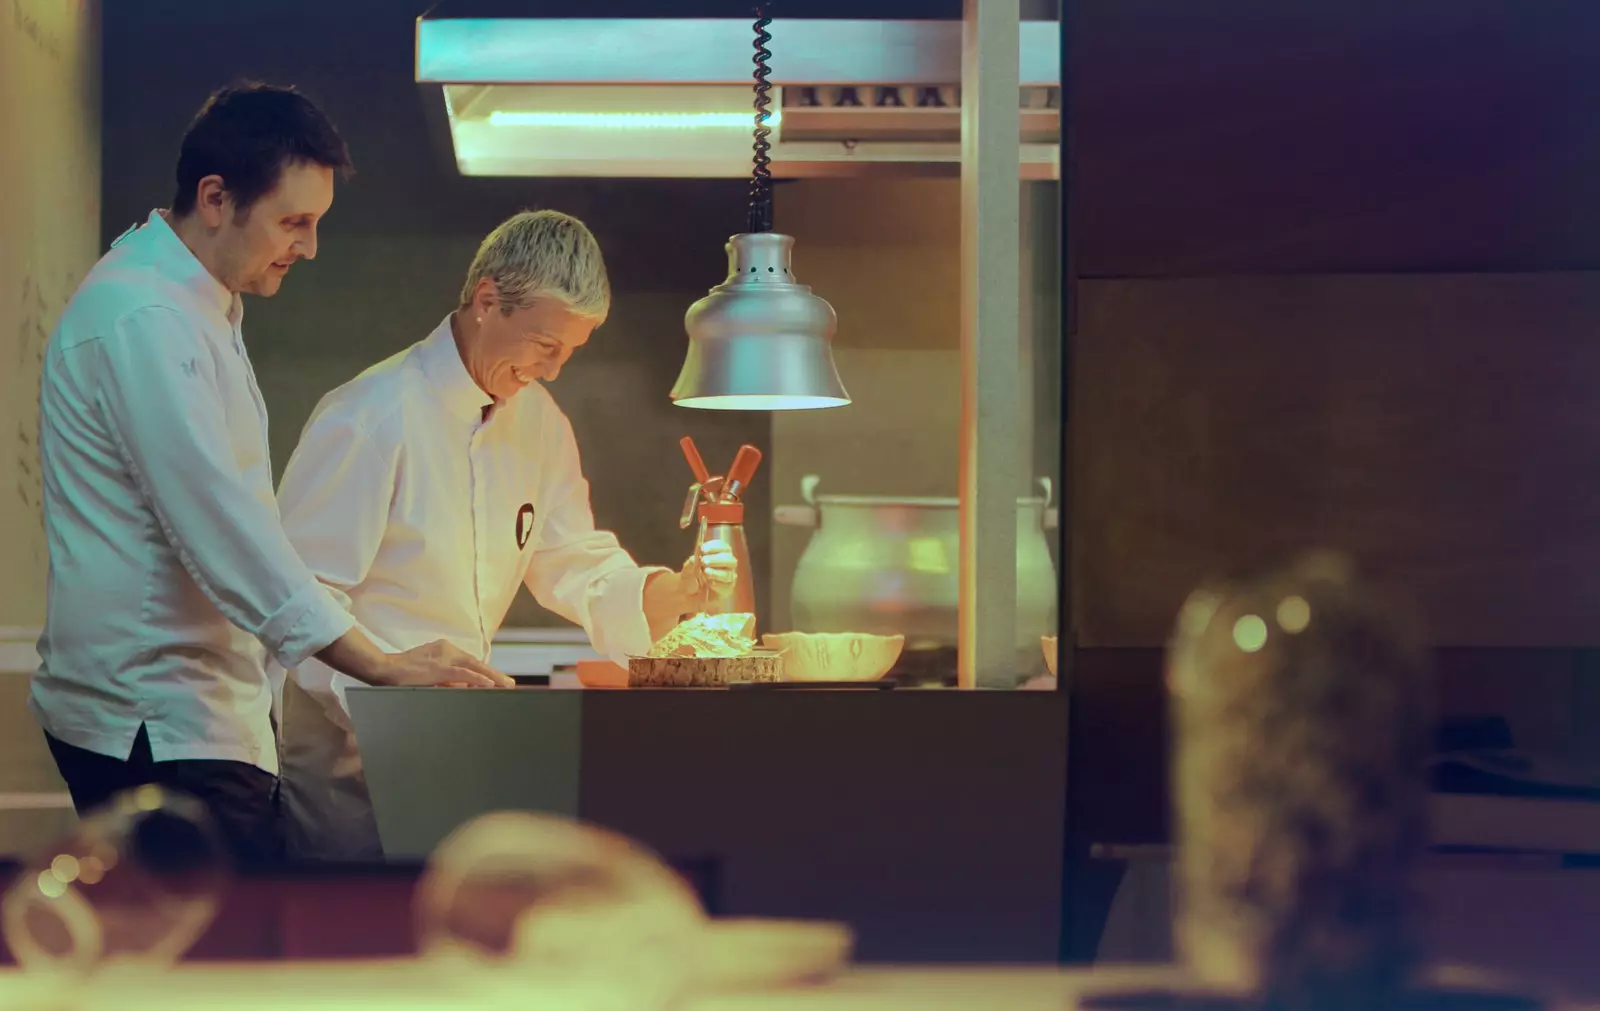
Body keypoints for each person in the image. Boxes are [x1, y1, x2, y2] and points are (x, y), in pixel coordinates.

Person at [32, 83, 513, 872]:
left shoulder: (193, 303)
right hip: (158, 719)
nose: (310, 246)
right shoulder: (146, 316)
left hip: (193, 710)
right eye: (295, 221)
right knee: (224, 976)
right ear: (215, 198)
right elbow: (222, 527)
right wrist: (378, 661)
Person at [275, 209, 738, 862]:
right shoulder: (370, 417)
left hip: (458, 744)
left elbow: (573, 557)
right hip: (348, 753)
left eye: (569, 354)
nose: (552, 370)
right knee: (359, 934)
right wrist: (393, 699)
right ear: (487, 301)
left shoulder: (539, 421)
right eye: (545, 347)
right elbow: (296, 599)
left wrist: (671, 589)